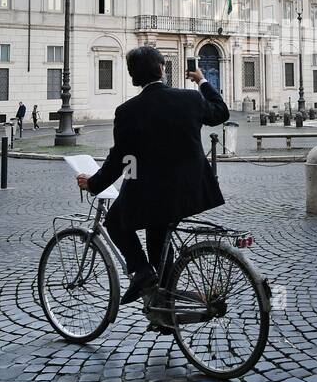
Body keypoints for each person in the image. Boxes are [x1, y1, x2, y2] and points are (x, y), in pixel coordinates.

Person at [77, 45, 229, 305]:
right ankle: (164, 305)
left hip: (151, 195)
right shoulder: (190, 99)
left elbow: (119, 160)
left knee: (114, 222)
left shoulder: (128, 111)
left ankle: (143, 272)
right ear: (162, 68)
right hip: (190, 191)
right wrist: (202, 79)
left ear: (133, 77)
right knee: (159, 241)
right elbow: (221, 112)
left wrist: (93, 183)